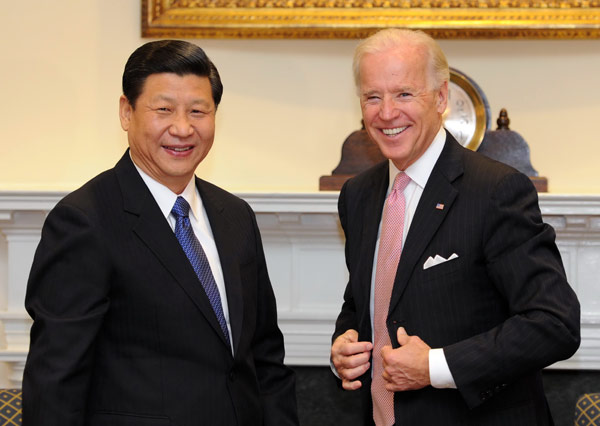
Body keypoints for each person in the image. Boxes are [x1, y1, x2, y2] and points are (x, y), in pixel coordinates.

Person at [23, 40, 298, 426]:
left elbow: (265, 356)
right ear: (126, 112)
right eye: (164, 109)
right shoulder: (84, 220)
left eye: (198, 111)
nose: (182, 128)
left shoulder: (235, 216)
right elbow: (56, 380)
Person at [330, 28, 580, 426]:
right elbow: (365, 304)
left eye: (404, 94)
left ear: (441, 98)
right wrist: (344, 344)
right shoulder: (358, 195)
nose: (387, 112)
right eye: (372, 96)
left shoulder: (495, 190)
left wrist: (435, 366)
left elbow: (554, 323)